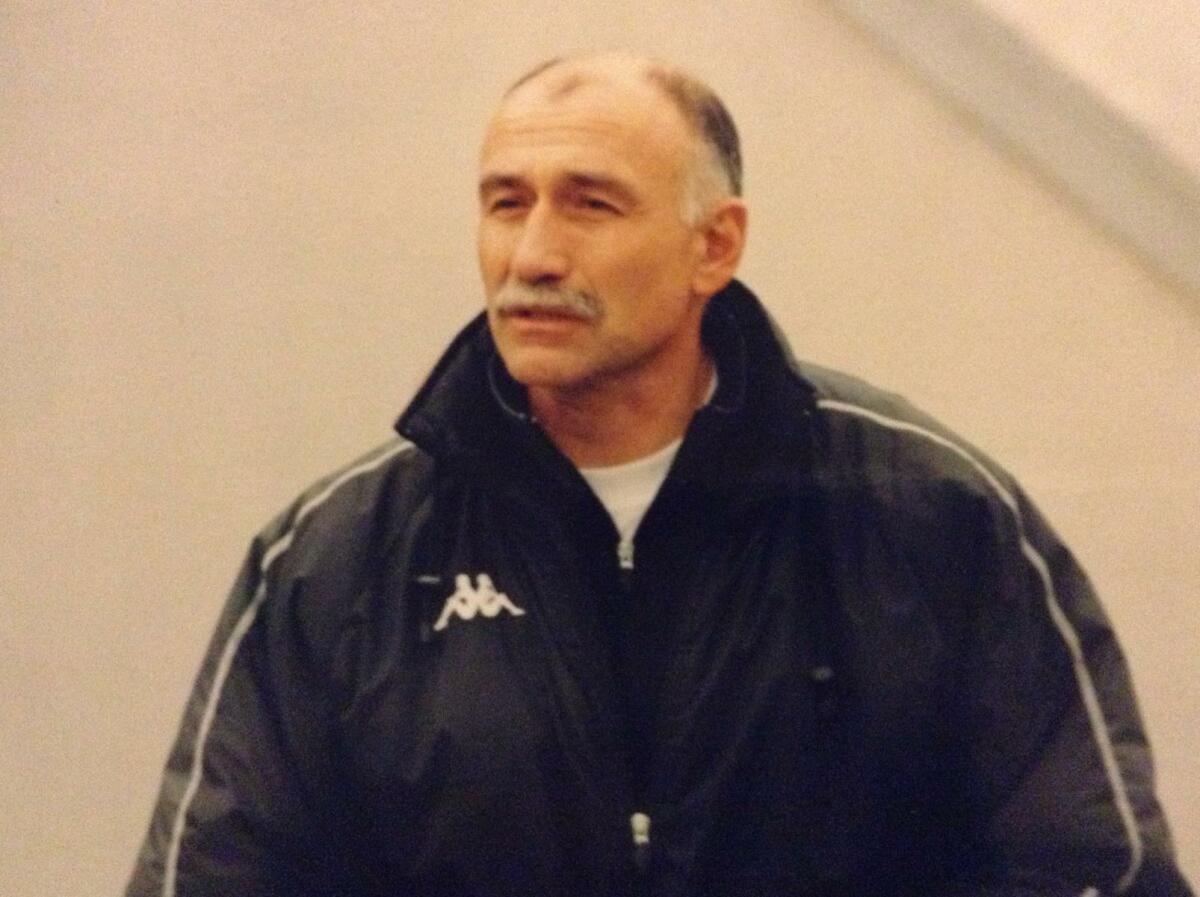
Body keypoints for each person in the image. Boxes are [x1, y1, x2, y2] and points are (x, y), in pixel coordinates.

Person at [127, 54, 1193, 897]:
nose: (533, 255)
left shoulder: (934, 520)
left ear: (713, 246)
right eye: (506, 203)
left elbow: (1095, 874)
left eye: (590, 204)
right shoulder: (334, 559)